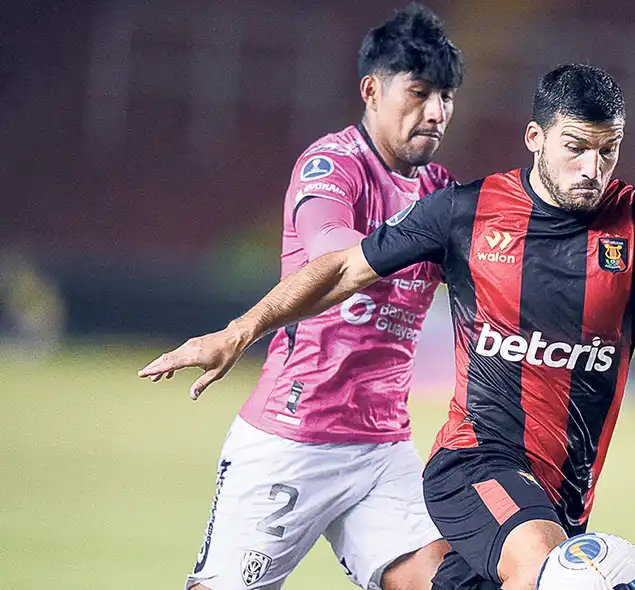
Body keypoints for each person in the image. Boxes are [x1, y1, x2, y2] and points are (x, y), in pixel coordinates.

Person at [140, 64, 635, 590]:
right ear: (536, 138)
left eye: (607, 152)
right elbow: (343, 270)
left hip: (562, 491)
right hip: (473, 464)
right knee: (558, 573)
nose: (593, 169)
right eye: (577, 149)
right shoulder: (464, 212)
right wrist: (240, 330)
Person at [144, 5, 464, 589]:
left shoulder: (441, 190)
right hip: (294, 434)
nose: (436, 113)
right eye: (419, 93)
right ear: (372, 90)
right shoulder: (332, 166)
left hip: (382, 448)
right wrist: (240, 331)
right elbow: (334, 258)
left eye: (446, 97)